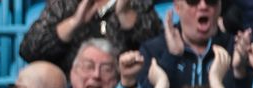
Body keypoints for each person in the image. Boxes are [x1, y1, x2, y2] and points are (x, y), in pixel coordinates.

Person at [19, 0, 161, 70]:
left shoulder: (137, 3)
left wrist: (127, 16)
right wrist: (74, 23)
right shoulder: (65, 3)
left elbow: (160, 51)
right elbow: (29, 50)